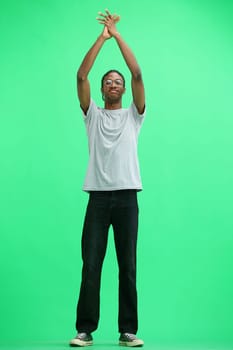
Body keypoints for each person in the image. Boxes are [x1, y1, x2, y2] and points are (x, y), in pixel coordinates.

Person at [70, 9, 146, 348]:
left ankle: (128, 330)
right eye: (108, 82)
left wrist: (118, 35)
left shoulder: (134, 116)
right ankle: (85, 329)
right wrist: (102, 39)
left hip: (127, 197)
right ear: (102, 90)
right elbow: (81, 76)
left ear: (123, 90)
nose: (114, 84)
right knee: (91, 265)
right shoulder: (93, 116)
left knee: (127, 266)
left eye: (118, 82)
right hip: (98, 199)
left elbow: (138, 72)